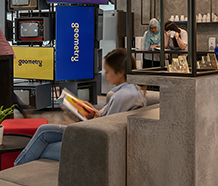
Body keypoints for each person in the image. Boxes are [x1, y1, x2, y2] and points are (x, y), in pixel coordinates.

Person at [13, 48, 146, 166]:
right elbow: (109, 119)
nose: (105, 75)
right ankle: (17, 170)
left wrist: (80, 115)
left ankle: (14, 171)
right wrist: (89, 111)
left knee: (42, 141)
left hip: (95, 143)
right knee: (43, 134)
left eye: (108, 71)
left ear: (121, 73)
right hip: (97, 135)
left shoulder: (122, 96)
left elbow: (107, 130)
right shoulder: (133, 91)